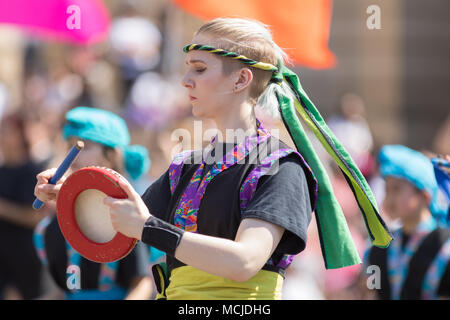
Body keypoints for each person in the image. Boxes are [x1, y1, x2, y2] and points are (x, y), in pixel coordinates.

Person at [35, 18, 391, 300]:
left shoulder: (281, 166)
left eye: (200, 69)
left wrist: (150, 228)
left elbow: (244, 261)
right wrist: (69, 194)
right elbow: (116, 226)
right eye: (188, 68)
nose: (186, 80)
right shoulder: (185, 167)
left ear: (241, 79)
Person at [33, 106, 152, 300]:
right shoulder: (55, 223)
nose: (74, 155)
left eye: (84, 147)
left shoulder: (127, 213)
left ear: (111, 156)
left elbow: (141, 284)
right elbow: (67, 291)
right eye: (69, 146)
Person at [364, 145, 450, 300]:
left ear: (425, 195)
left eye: (396, 189)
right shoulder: (377, 250)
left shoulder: (444, 245)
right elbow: (373, 292)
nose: (389, 198)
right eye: (387, 189)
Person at [0, 112, 46, 299]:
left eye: (6, 130)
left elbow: (36, 217)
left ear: (20, 135)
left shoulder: (32, 172)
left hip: (22, 257)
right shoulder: (2, 171)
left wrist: (3, 209)